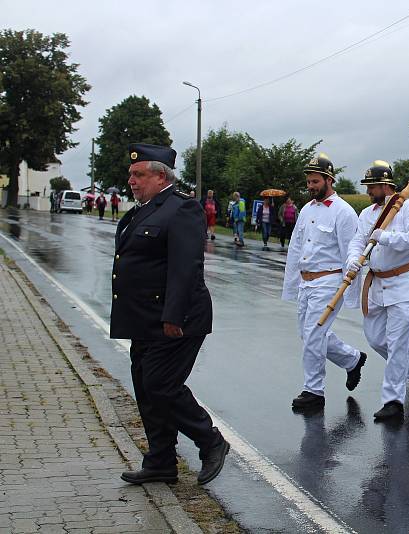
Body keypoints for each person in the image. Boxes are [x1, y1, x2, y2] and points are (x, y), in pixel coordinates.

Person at [111, 143, 228, 486]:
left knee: (160, 385)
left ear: (161, 176)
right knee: (147, 392)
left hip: (176, 319)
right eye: (131, 174)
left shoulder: (182, 209)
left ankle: (211, 441)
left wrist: (173, 316)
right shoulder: (141, 211)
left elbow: (185, 267)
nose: (132, 180)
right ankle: (161, 461)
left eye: (139, 174)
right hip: (144, 319)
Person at [281, 153, 367, 411]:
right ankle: (352, 359)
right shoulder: (306, 210)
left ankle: (313, 391)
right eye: (308, 182)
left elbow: (350, 250)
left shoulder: (344, 212)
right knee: (308, 334)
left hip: (329, 282)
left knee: (314, 334)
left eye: (315, 181)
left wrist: (349, 290)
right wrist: (292, 284)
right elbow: (296, 249)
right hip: (307, 282)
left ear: (329, 180)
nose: (310, 186)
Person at [346, 161, 409, 421]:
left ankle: (392, 401)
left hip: (404, 283)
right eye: (368, 187)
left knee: (397, 342)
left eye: (372, 187)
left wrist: (386, 237)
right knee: (375, 339)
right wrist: (353, 259)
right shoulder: (367, 213)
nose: (369, 192)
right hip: (377, 283)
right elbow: (358, 240)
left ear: (386, 185)